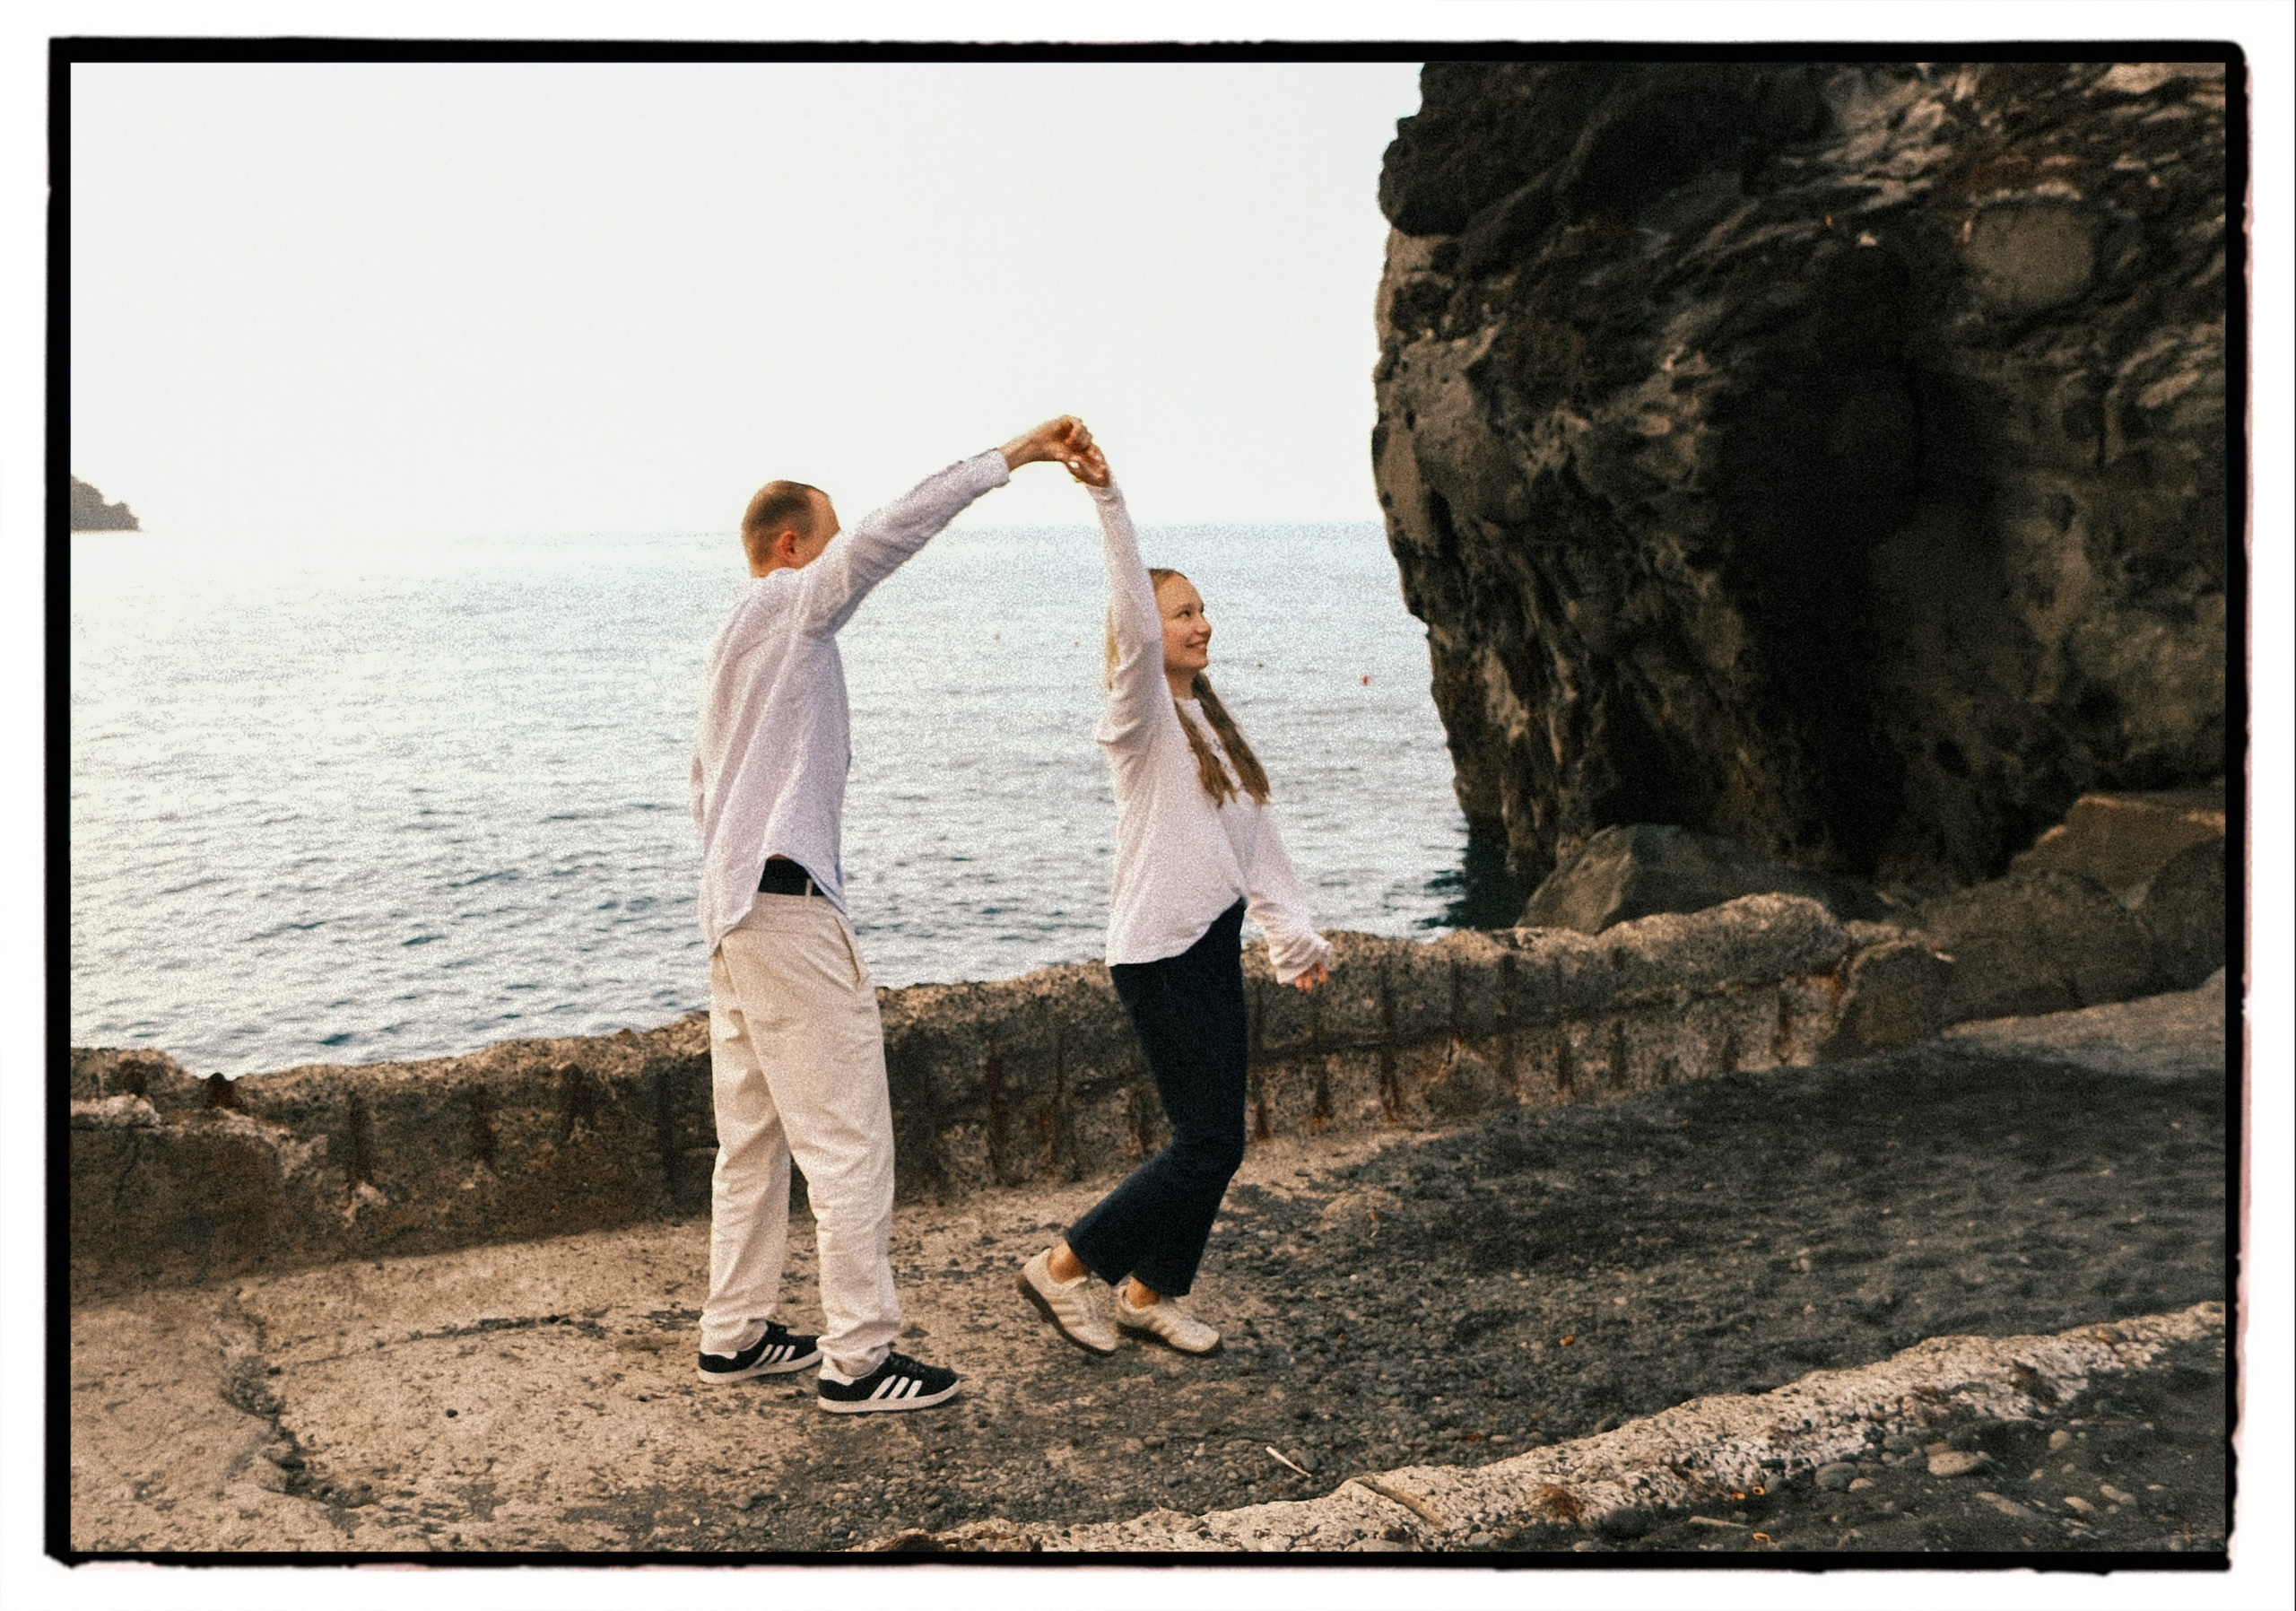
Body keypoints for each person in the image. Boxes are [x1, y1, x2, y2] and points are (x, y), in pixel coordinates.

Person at [692, 416, 1091, 1413]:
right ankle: (859, 1359)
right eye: (822, 545)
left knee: (752, 1140)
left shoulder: (728, 649)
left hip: (732, 912)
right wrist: (1015, 456)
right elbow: (887, 534)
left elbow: (701, 788)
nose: (837, 567)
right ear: (790, 547)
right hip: (783, 906)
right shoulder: (793, 605)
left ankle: (733, 1335)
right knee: (850, 1142)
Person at [1018, 440, 1332, 1356]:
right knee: (1202, 1141)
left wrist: (1294, 939)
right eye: (1178, 612)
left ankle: (1152, 1289)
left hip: (1207, 945)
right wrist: (1108, 498)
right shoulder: (1141, 717)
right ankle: (1070, 1265)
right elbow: (1130, 607)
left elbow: (1257, 847)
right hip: (1157, 950)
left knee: (1219, 1143)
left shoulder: (1213, 728)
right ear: (1144, 636)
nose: (1198, 622)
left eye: (1200, 608)